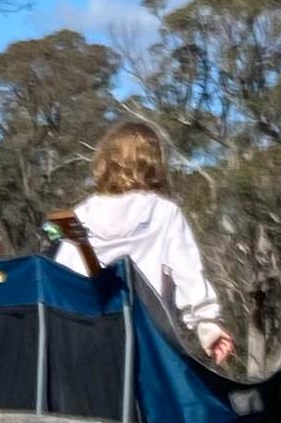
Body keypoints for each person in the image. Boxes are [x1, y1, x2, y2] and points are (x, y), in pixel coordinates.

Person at [62, 123, 237, 367]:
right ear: (153, 163)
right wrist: (207, 325)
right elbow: (188, 276)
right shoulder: (164, 214)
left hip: (88, 348)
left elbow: (64, 282)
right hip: (150, 350)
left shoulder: (78, 217)